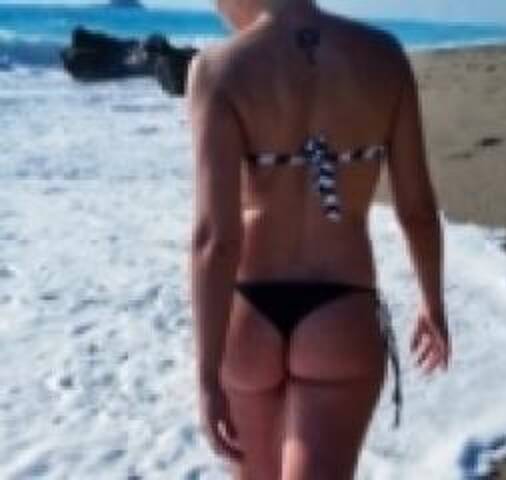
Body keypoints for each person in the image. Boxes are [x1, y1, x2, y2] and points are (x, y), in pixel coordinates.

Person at [187, 0, 450, 478]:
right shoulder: (383, 56)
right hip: (340, 310)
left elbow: (215, 240)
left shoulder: (218, 68)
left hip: (249, 315)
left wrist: (206, 377)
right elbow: (417, 211)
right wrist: (432, 304)